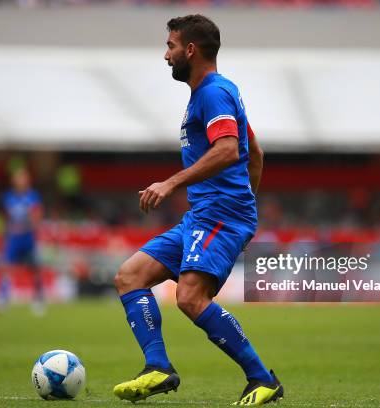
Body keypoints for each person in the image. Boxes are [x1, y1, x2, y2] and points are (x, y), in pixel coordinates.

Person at [112, 14, 283, 406]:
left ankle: (262, 379)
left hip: (219, 215)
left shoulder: (213, 93)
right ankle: (158, 366)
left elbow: (228, 150)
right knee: (130, 275)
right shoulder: (213, 94)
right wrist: (247, 212)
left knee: (189, 297)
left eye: (171, 46)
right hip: (206, 216)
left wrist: (173, 184)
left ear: (190, 50)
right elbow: (253, 152)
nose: (166, 55)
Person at [0, 167, 45, 315]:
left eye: (23, 177)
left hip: (28, 237)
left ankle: (38, 299)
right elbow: (5, 217)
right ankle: (3, 298)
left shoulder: (32, 196)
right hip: (13, 238)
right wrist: (6, 231)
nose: (20, 180)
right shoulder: (8, 197)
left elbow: (37, 215)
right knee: (6, 267)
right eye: (18, 177)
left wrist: (28, 225)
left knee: (35, 270)